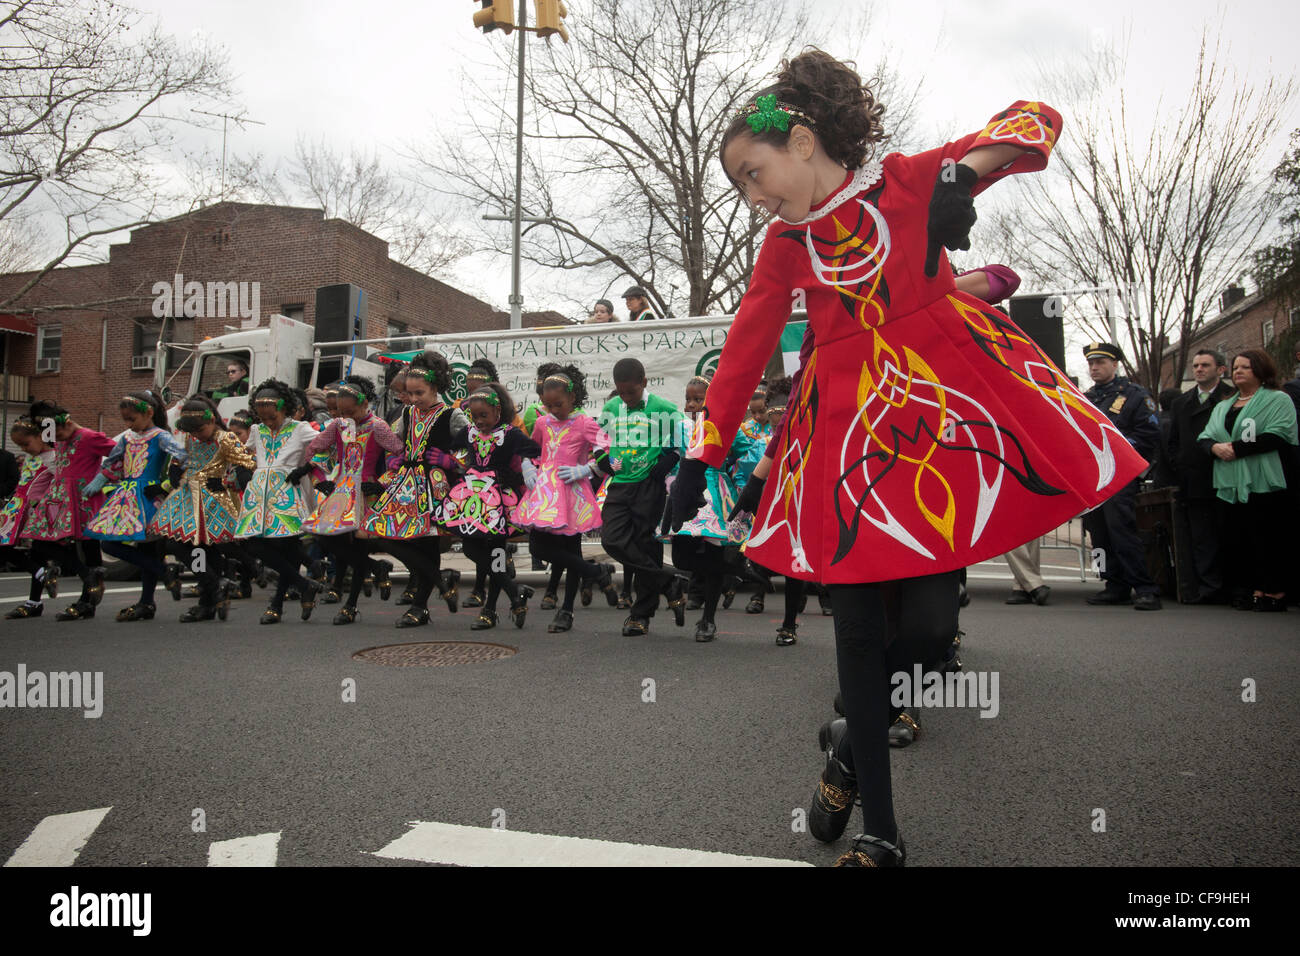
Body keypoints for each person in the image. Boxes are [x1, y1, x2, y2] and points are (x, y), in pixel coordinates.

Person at [666, 50, 1145, 866]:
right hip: (842, 438)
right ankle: (880, 833)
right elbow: (746, 345)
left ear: (805, 140)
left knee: (926, 632)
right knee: (855, 634)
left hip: (934, 424)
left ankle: (850, 745)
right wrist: (702, 454)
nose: (752, 197)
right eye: (740, 185)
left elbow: (1035, 119)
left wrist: (959, 180)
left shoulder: (906, 182)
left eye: (755, 172)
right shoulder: (785, 244)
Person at [364, 352, 466, 627]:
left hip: (435, 485)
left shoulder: (452, 414)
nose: (412, 399)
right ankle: (440, 578)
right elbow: (395, 441)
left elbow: (473, 446)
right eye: (409, 393)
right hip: (406, 484)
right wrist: (394, 461)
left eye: (419, 392)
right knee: (382, 535)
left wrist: (452, 461)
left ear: (435, 387)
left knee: (427, 543)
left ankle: (420, 606)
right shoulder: (406, 413)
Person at [514, 366, 619, 632]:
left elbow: (607, 450)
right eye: (547, 405)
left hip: (572, 491)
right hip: (544, 494)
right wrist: (528, 465)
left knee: (572, 550)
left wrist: (586, 469)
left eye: (558, 404)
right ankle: (596, 573)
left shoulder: (584, 422)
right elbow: (531, 450)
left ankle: (567, 611)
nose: (552, 410)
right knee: (538, 548)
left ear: (573, 398)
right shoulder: (541, 423)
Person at [292, 376, 401, 625]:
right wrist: (321, 479)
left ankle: (350, 606)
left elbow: (401, 454)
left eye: (350, 412)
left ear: (364, 405)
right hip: (340, 490)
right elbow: (313, 450)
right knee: (325, 537)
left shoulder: (378, 427)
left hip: (366, 491)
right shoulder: (338, 425)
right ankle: (376, 568)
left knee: (358, 546)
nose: (345, 416)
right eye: (341, 412)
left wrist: (383, 481)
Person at [1198, 349, 1298, 611]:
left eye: (1245, 367)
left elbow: (1280, 434)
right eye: (1235, 368)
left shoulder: (1278, 399)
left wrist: (1236, 449)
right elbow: (1206, 436)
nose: (1238, 372)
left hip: (1265, 480)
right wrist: (1213, 448)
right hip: (1231, 481)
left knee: (1268, 536)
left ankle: (1274, 592)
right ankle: (1252, 588)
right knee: (1239, 538)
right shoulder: (1223, 405)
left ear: (1261, 371)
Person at [595, 357, 686, 636]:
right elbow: (599, 440)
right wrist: (602, 458)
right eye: (621, 392)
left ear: (644, 383)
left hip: (649, 485)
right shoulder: (612, 408)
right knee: (612, 539)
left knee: (646, 545)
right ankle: (668, 583)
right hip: (620, 484)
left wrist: (667, 462)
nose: (626, 397)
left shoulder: (664, 409)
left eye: (630, 392)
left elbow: (683, 442)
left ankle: (641, 615)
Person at [84, 389, 189, 621]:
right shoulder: (127, 438)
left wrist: (166, 483)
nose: (129, 425)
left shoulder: (160, 436)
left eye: (131, 419)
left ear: (148, 413)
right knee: (109, 543)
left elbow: (182, 455)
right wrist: (99, 480)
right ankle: (163, 573)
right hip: (127, 494)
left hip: (148, 495)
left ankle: (147, 602)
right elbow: (114, 461)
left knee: (146, 548)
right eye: (126, 420)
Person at [149, 395, 256, 621]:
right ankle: (214, 588)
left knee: (201, 549)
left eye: (200, 430)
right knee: (185, 546)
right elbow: (185, 459)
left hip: (212, 500)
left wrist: (229, 482)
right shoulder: (192, 438)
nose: (196, 435)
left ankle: (209, 597)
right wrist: (176, 469)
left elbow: (248, 464)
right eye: (192, 431)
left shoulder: (225, 438)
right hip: (188, 497)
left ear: (211, 421)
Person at [442, 382, 539, 629]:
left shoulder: (510, 433)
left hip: (499, 499)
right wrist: (455, 465)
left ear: (498, 412)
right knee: (470, 550)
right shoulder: (469, 433)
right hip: (472, 498)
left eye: (484, 415)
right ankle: (514, 591)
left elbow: (535, 450)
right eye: (474, 416)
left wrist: (521, 471)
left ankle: (490, 611)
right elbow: (454, 451)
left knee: (496, 551)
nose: (479, 421)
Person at [234, 379, 325, 624]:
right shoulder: (256, 430)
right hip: (259, 495)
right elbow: (247, 454)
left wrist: (306, 467)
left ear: (284, 408)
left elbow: (327, 444)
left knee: (285, 549)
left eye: (272, 417)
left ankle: (277, 604)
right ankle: (305, 582)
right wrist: (244, 470)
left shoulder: (300, 429)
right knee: (253, 545)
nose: (267, 422)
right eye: (262, 418)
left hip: (286, 492)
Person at [1081, 342, 1163, 611]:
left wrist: (1117, 447)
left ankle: (1144, 587)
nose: (1094, 367)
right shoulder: (1086, 397)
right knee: (1099, 534)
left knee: (1122, 531)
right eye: (1091, 363)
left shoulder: (1135, 395)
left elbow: (1150, 434)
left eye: (1101, 362)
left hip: (1120, 475)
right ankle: (1113, 585)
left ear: (1115, 364)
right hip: (1094, 478)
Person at [20, 400, 116, 620]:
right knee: (40, 541)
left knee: (90, 548)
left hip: (84, 498)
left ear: (66, 422)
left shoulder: (90, 437)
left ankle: (86, 603)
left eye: (57, 434)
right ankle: (86, 576)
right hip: (60, 500)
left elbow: (122, 454)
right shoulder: (59, 438)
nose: (55, 440)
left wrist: (104, 476)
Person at [1167, 349, 1235, 603]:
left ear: (1220, 369)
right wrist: (1181, 465)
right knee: (1201, 537)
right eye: (1195, 365)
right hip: (1194, 480)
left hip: (1227, 475)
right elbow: (1172, 441)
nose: (1198, 370)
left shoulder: (1232, 398)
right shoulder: (1181, 403)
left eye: (1205, 365)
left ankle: (1234, 585)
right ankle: (1209, 587)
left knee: (1229, 533)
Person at [1, 418, 55, 619]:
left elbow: (59, 481)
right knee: (7, 545)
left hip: (36, 508)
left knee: (39, 551)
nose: (24, 448)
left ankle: (35, 599)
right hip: (19, 505)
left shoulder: (51, 456)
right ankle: (40, 577)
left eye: (25, 444)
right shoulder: (33, 456)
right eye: (20, 446)